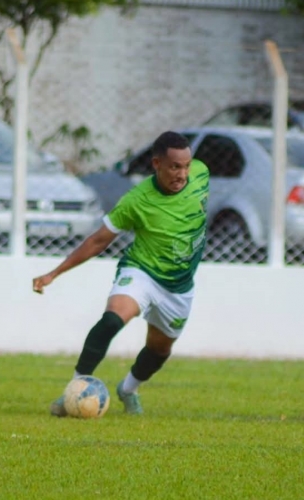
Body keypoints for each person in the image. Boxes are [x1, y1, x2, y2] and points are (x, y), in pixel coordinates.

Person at [32, 131, 209, 416]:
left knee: (160, 350)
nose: (183, 173)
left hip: (179, 286)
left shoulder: (201, 175)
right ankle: (74, 391)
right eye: (175, 167)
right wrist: (55, 273)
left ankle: (128, 389)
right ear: (156, 164)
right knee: (113, 319)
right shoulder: (136, 201)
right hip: (142, 272)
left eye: (186, 165)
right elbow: (98, 240)